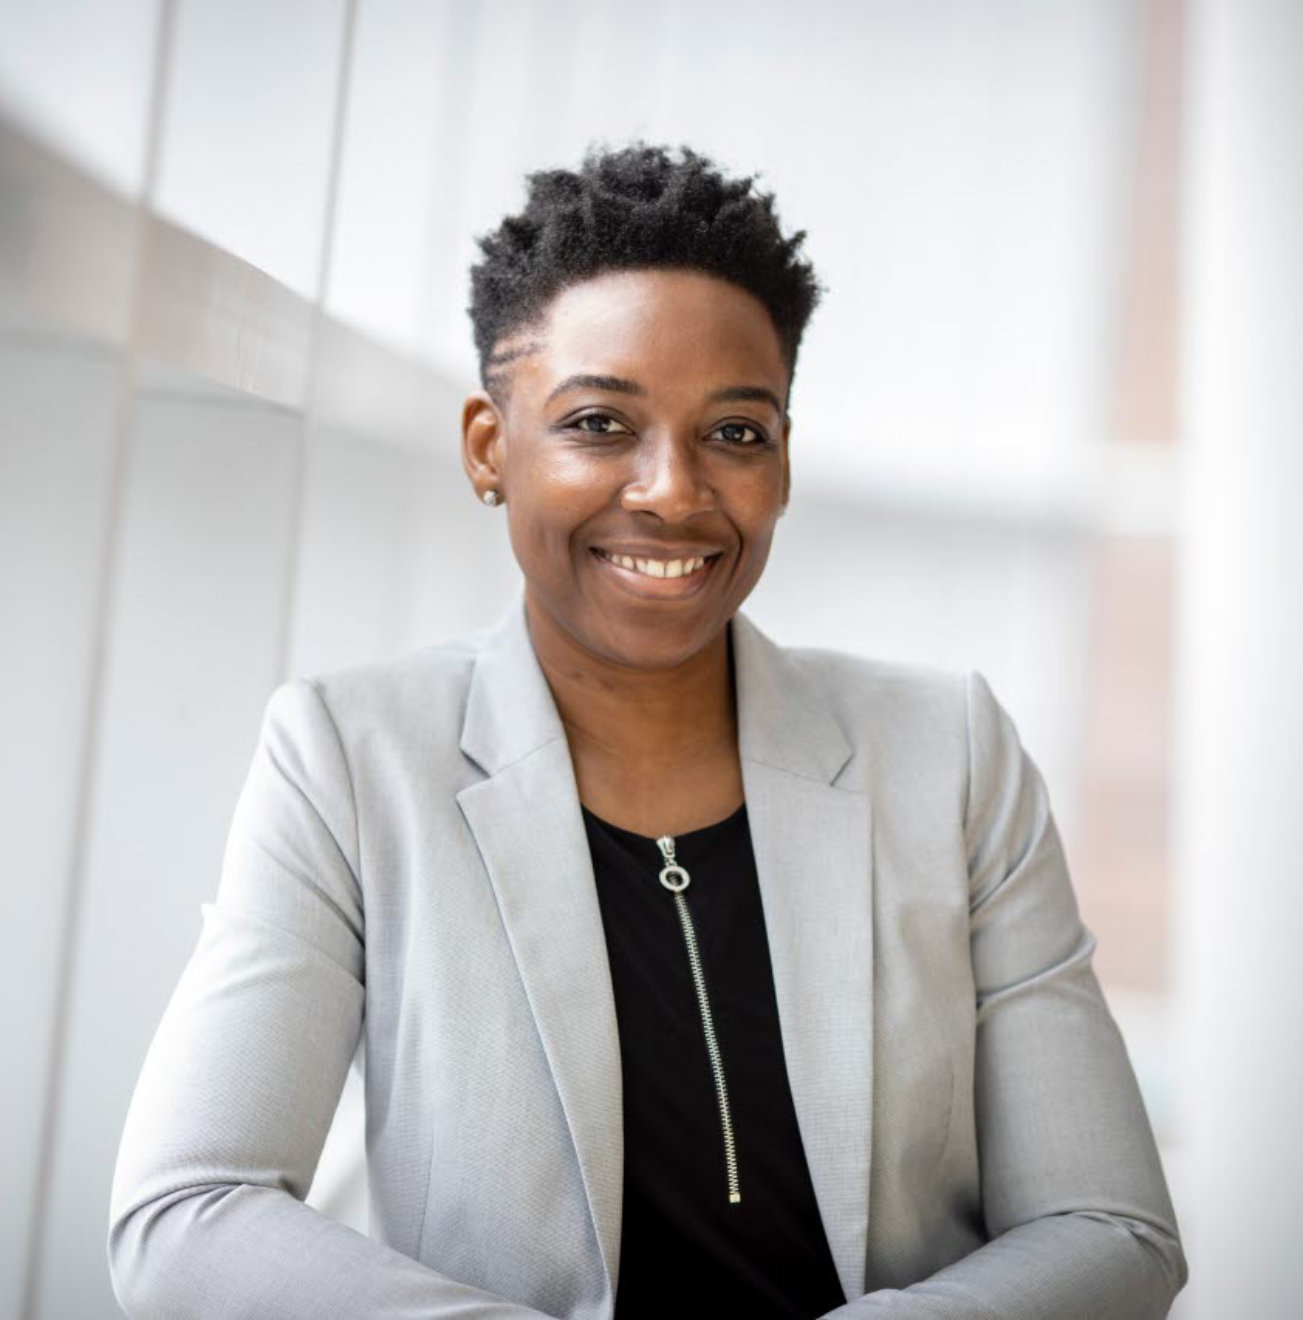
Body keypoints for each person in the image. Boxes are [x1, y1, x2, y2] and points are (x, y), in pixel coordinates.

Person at [107, 143, 1187, 1319]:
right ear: (489, 447)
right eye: (599, 424)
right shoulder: (350, 757)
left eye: (734, 432)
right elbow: (189, 1214)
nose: (674, 491)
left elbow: (1109, 1226)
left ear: (781, 462)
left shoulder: (951, 754)